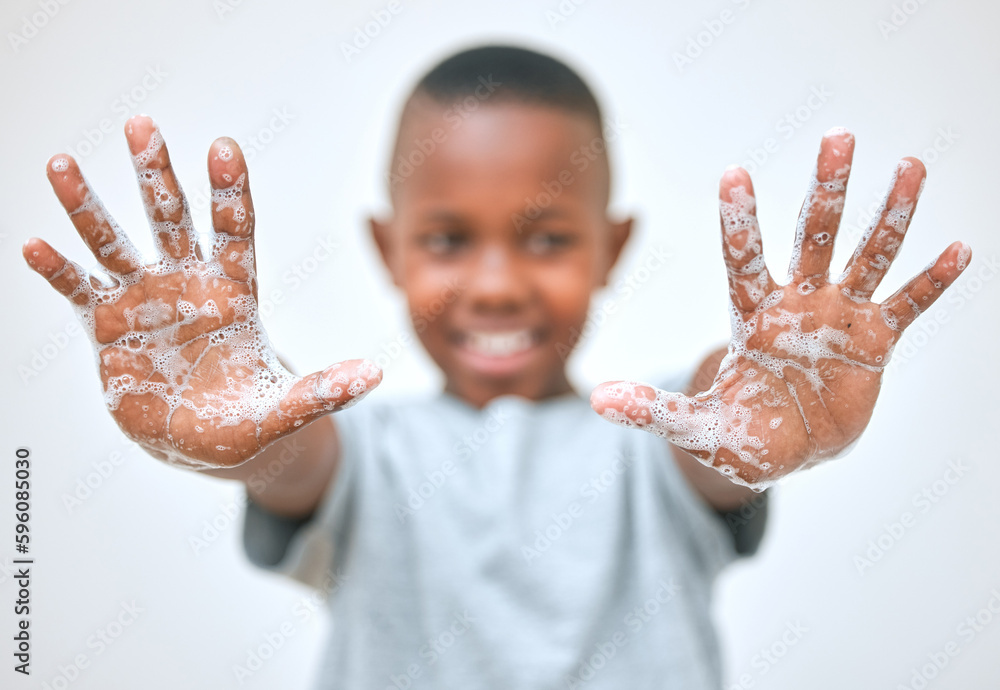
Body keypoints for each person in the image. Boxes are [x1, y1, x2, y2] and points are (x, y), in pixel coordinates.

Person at [22, 45, 970, 689]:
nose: (495, 285)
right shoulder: (363, 447)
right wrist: (243, 444)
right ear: (388, 251)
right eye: (446, 239)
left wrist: (772, 391)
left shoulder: (662, 434)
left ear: (613, 247)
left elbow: (720, 436)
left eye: (547, 238)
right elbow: (294, 466)